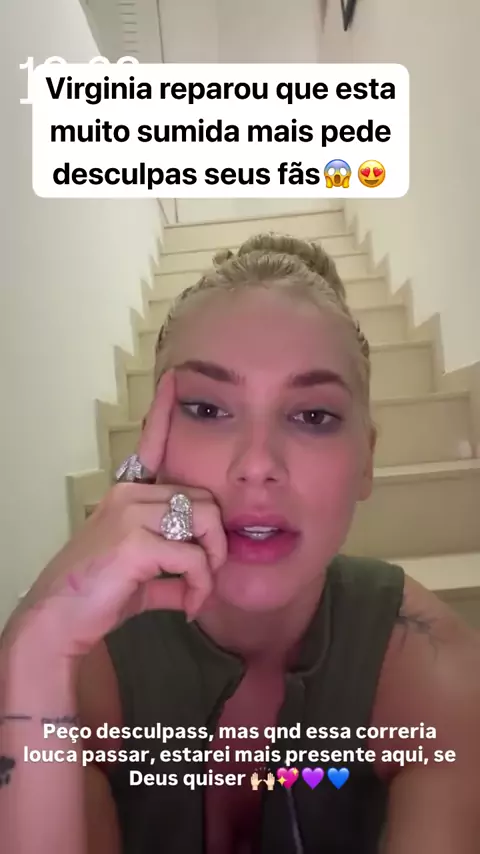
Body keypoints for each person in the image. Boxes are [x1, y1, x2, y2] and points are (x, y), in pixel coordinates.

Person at [1, 233, 479, 854]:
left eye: (313, 416)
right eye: (207, 409)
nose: (257, 465)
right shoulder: (81, 657)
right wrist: (31, 655)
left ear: (367, 460)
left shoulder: (432, 664)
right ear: (152, 443)